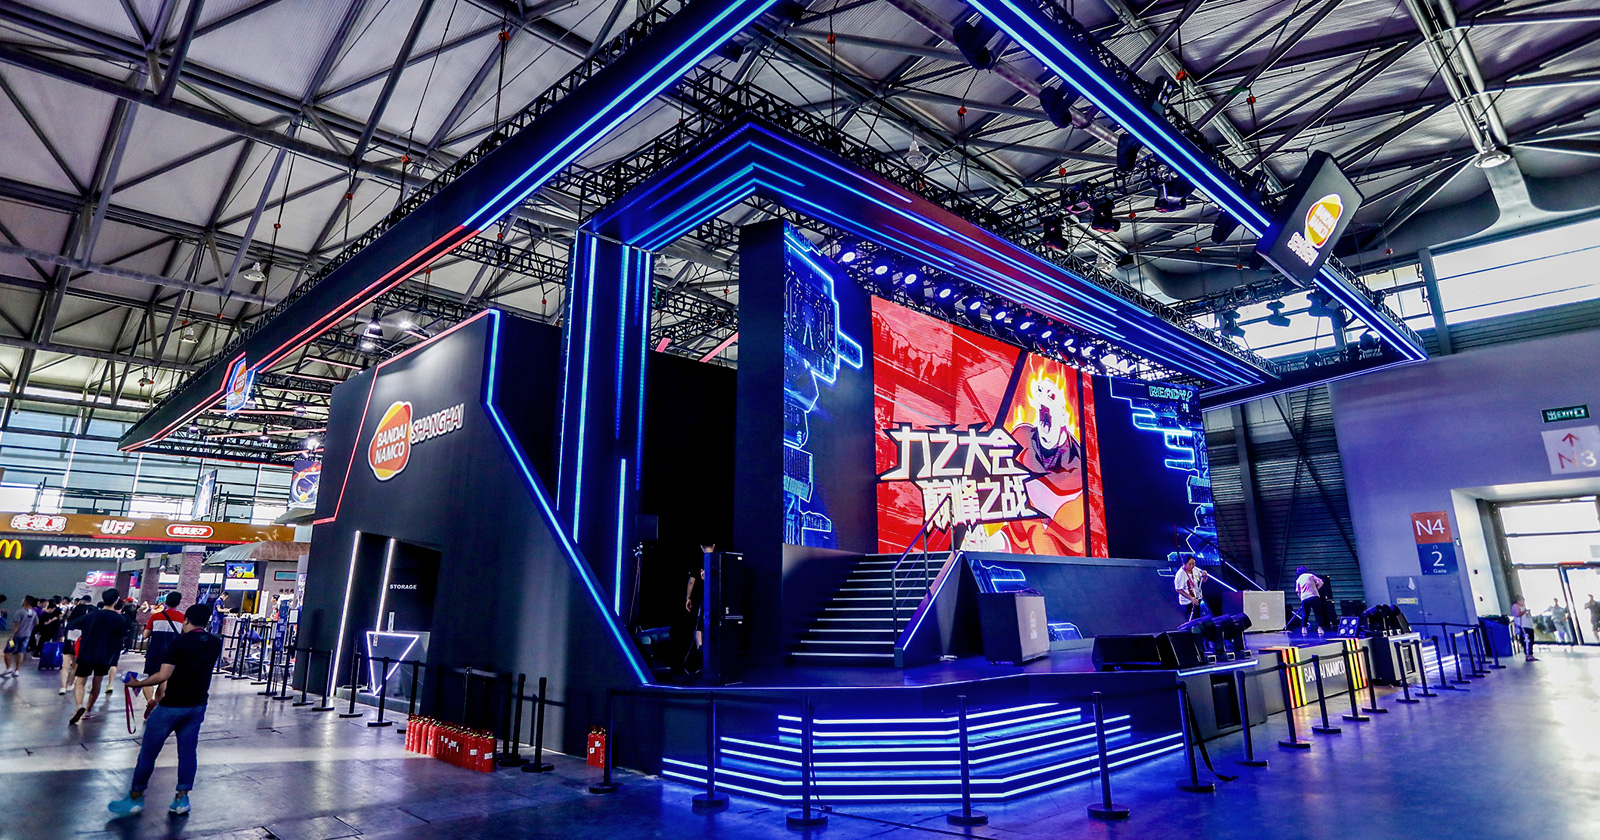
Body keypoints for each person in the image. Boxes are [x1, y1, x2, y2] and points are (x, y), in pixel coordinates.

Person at [108, 603, 224, 817]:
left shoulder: (178, 643)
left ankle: (135, 797)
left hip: (172, 705)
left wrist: (137, 684)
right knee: (187, 753)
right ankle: (182, 799)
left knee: (148, 752)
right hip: (197, 705)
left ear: (186, 620)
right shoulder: (215, 642)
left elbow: (163, 675)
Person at [67, 589, 130, 724]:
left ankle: (79, 706)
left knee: (80, 681)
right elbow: (122, 637)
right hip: (105, 655)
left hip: (86, 652)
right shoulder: (119, 619)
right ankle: (88, 710)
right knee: (97, 682)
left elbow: (71, 625)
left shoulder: (91, 615)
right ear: (116, 600)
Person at [141, 593, 186, 714]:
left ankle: (149, 701)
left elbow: (145, 635)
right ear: (178, 603)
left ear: (166, 602)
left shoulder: (156, 617)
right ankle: (156, 703)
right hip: (172, 654)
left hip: (154, 651)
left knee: (149, 677)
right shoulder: (182, 618)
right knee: (164, 679)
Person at [60, 595, 92, 695]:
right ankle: (70, 684)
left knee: (65, 666)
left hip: (68, 645)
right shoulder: (85, 623)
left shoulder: (70, 623)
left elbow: (65, 634)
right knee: (75, 666)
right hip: (79, 647)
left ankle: (62, 687)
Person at [3, 595, 39, 675]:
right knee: (21, 652)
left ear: (26, 601)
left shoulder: (20, 612)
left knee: (7, 651)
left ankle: (8, 668)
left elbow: (16, 625)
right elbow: (36, 623)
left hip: (16, 636)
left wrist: (11, 635)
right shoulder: (34, 612)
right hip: (26, 636)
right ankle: (17, 670)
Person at [1295, 566, 1327, 634]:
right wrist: (1316, 589)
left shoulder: (1298, 580)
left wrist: (1301, 599)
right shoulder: (1310, 575)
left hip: (1304, 598)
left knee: (1305, 614)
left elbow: (1298, 592)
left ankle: (1303, 629)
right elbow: (1321, 582)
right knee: (1318, 613)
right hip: (1313, 595)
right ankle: (1319, 629)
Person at [1511, 596, 1536, 661]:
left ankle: (1530, 654)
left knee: (1531, 640)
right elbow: (1517, 614)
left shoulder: (1524, 606)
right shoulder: (1515, 606)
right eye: (1522, 601)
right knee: (1527, 641)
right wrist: (1524, 611)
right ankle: (1528, 654)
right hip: (1523, 626)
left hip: (1529, 626)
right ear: (1518, 601)